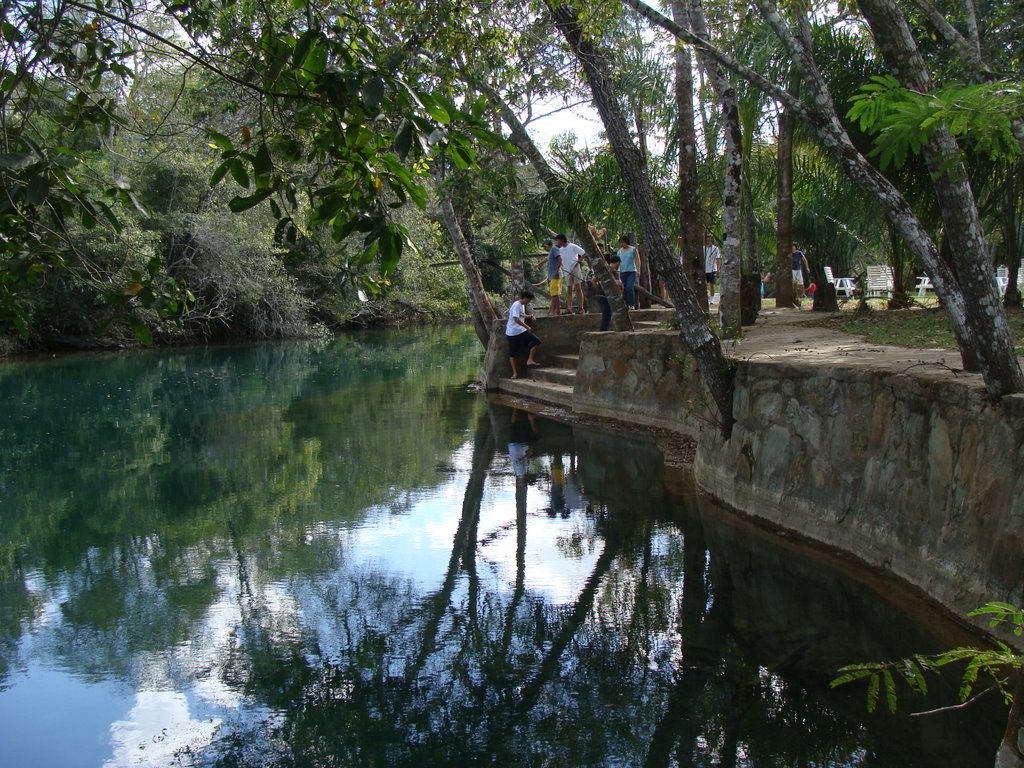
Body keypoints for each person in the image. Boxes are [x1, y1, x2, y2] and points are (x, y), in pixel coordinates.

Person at [505, 290, 542, 378]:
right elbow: (516, 318)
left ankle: (529, 360)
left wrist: (530, 316)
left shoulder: (522, 305)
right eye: (528, 300)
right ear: (524, 298)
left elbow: (522, 315)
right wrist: (527, 327)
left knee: (536, 341)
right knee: (512, 354)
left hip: (521, 331)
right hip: (513, 333)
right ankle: (515, 373)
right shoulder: (516, 305)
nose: (528, 302)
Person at [555, 234, 587, 314]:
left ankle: (581, 308)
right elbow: (560, 260)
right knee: (569, 289)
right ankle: (569, 308)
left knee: (578, 287)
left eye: (558, 240)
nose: (557, 242)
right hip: (567, 270)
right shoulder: (560, 250)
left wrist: (580, 260)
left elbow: (583, 253)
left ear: (562, 240)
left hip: (575, 268)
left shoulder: (572, 246)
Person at [591, 254, 622, 331]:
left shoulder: (602, 269)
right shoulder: (613, 271)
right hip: (605, 296)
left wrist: (597, 288)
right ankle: (603, 330)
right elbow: (618, 283)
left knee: (607, 313)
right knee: (607, 314)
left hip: (599, 294)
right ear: (617, 262)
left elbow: (593, 280)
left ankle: (604, 329)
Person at [536, 239, 562, 316]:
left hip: (555, 275)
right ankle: (558, 311)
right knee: (556, 294)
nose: (544, 248)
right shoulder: (551, 251)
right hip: (553, 275)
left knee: (554, 294)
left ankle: (552, 311)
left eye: (544, 247)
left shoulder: (554, 249)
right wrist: (538, 265)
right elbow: (546, 259)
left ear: (547, 245)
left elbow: (559, 259)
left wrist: (557, 271)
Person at [617, 235, 641, 309]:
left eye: (622, 242)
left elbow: (638, 260)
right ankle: (625, 304)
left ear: (626, 242)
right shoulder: (619, 251)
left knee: (629, 287)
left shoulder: (633, 249)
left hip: (631, 271)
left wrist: (638, 270)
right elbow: (617, 263)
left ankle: (631, 304)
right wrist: (617, 272)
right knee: (623, 288)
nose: (621, 244)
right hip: (622, 272)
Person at [704, 235, 721, 304]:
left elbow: (718, 260)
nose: (708, 241)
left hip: (712, 269)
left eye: (709, 240)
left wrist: (718, 270)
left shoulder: (715, 249)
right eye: (707, 240)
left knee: (712, 285)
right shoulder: (703, 248)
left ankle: (711, 299)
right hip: (704, 270)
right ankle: (706, 298)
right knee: (704, 285)